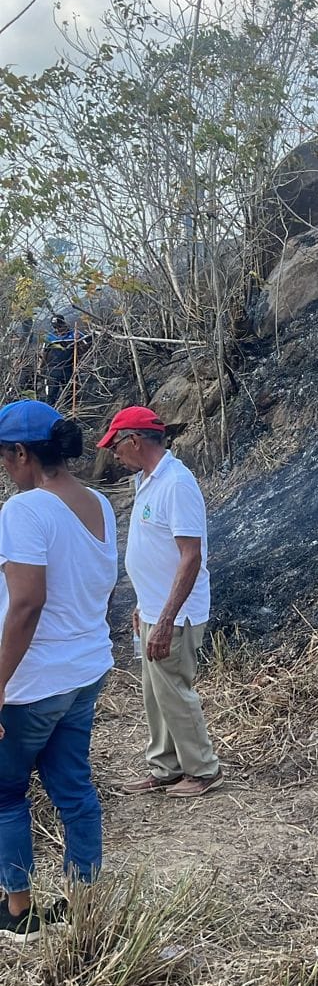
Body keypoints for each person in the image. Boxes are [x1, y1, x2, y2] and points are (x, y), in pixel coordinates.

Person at [0, 400, 118, 943]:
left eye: (5, 456)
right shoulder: (100, 504)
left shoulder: (24, 511)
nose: (5, 467)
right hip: (85, 669)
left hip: (34, 681)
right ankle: (85, 902)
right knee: (73, 788)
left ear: (22, 453)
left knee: (6, 793)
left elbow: (26, 605)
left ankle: (18, 913)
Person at [97, 405, 221, 799]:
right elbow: (153, 549)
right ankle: (165, 767)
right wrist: (142, 603)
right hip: (152, 608)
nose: (113, 454)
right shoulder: (146, 481)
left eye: (115, 445)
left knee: (175, 691)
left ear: (134, 440)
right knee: (156, 694)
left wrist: (167, 618)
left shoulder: (177, 484)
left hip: (176, 613)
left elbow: (191, 556)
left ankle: (203, 770)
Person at [41, 316, 77, 405]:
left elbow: (86, 346)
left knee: (69, 392)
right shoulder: (50, 337)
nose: (58, 329)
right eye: (55, 327)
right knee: (51, 394)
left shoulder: (73, 335)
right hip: (53, 369)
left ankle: (69, 410)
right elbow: (43, 353)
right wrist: (41, 368)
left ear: (64, 324)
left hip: (68, 368)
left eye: (59, 326)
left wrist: (78, 339)